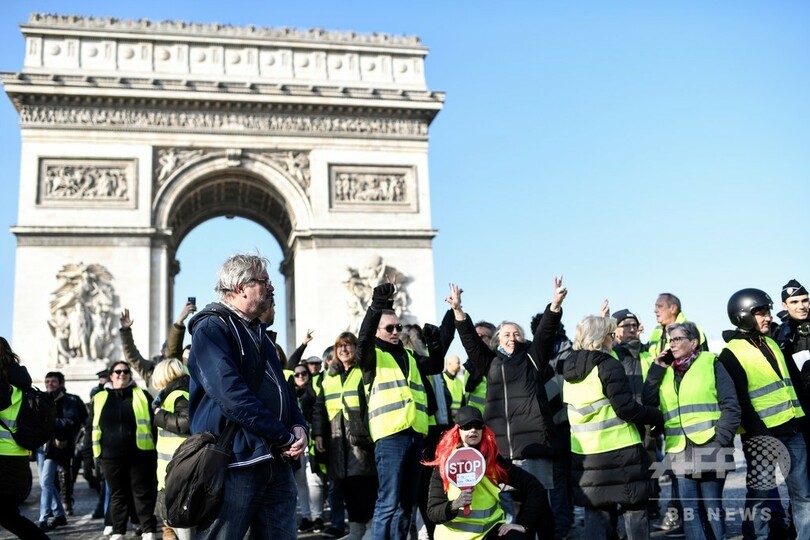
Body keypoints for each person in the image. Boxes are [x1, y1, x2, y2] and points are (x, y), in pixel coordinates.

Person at [187, 253, 307, 540]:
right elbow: (231, 396)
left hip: (274, 460)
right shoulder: (211, 329)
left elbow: (283, 389)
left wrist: (298, 424)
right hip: (235, 461)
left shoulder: (259, 332)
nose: (271, 288)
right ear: (241, 287)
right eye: (264, 282)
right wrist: (282, 436)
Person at [450, 279, 565, 538]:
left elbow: (546, 333)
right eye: (506, 334)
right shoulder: (490, 362)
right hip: (500, 449)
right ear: (497, 340)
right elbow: (470, 340)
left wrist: (555, 305)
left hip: (533, 446)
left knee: (538, 505)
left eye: (516, 334)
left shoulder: (532, 358)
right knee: (505, 509)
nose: (512, 338)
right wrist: (458, 310)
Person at [356, 280, 445, 540]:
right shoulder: (371, 356)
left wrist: (434, 342)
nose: (395, 331)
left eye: (398, 327)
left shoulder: (410, 356)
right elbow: (363, 340)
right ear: (377, 330)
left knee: (407, 504)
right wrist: (376, 305)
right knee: (388, 502)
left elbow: (436, 365)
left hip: (416, 435)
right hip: (390, 436)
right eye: (389, 328)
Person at [718, 288, 810, 540]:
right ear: (743, 315)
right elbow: (739, 401)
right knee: (760, 495)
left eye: (767, 312)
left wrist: (802, 420)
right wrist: (761, 434)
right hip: (761, 436)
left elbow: (791, 385)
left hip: (792, 430)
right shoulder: (730, 354)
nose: (768, 317)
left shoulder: (771, 343)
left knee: (803, 495)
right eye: (760, 313)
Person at [562, 315, 663, 540]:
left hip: (586, 453)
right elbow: (626, 408)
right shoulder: (608, 364)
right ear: (601, 337)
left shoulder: (569, 370)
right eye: (610, 334)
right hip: (621, 450)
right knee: (635, 511)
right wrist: (655, 415)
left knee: (597, 515)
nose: (613, 338)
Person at [643, 321, 740, 540]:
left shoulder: (711, 363)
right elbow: (648, 400)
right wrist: (657, 367)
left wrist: (721, 439)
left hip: (711, 446)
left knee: (712, 508)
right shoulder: (666, 370)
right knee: (690, 512)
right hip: (679, 450)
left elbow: (731, 405)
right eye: (671, 340)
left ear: (694, 342)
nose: (672, 344)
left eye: (678, 339)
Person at [425, 406, 543, 540]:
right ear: (457, 431)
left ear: (483, 429)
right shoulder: (445, 463)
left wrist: (524, 524)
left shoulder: (492, 460)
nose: (473, 430)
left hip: (490, 531)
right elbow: (433, 512)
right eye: (467, 426)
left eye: (478, 426)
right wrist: (454, 505)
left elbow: (534, 486)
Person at [313, 331, 378, 540]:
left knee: (364, 486)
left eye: (348, 345)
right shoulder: (329, 376)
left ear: (356, 348)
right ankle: (357, 530)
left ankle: (370, 529)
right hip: (337, 442)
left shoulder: (364, 370)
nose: (343, 349)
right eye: (339, 346)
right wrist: (318, 434)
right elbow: (319, 407)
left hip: (361, 441)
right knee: (346, 487)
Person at [90, 360, 158, 540]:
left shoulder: (142, 395)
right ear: (111, 376)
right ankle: (118, 531)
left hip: (140, 454)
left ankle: (148, 530)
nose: (122, 374)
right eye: (118, 372)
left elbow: (154, 424)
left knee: (142, 493)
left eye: (126, 371)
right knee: (117, 495)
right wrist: (90, 456)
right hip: (110, 456)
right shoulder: (99, 397)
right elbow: (91, 427)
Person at [0, 337, 50, 539]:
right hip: (16, 457)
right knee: (9, 516)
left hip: (4, 460)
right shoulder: (18, 383)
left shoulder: (5, 386)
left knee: (8, 516)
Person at [36, 371, 86, 530]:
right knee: (46, 482)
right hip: (41, 446)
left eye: (53, 381)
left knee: (46, 481)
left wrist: (50, 422)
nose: (50, 384)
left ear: (61, 384)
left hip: (56, 447)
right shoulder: (40, 399)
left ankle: (43, 518)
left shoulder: (69, 401)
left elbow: (71, 421)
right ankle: (59, 514)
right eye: (47, 381)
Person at [152, 358, 192, 540]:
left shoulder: (178, 394)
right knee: (172, 524)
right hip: (171, 470)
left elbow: (186, 422)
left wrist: (160, 415)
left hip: (178, 471)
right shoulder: (171, 394)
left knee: (183, 527)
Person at [291, 363, 325, 534]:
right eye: (296, 374)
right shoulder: (289, 391)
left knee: (314, 481)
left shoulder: (314, 389)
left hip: (312, 442)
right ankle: (306, 518)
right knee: (300, 482)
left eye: (303, 373)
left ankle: (318, 517)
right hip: (296, 443)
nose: (300, 376)